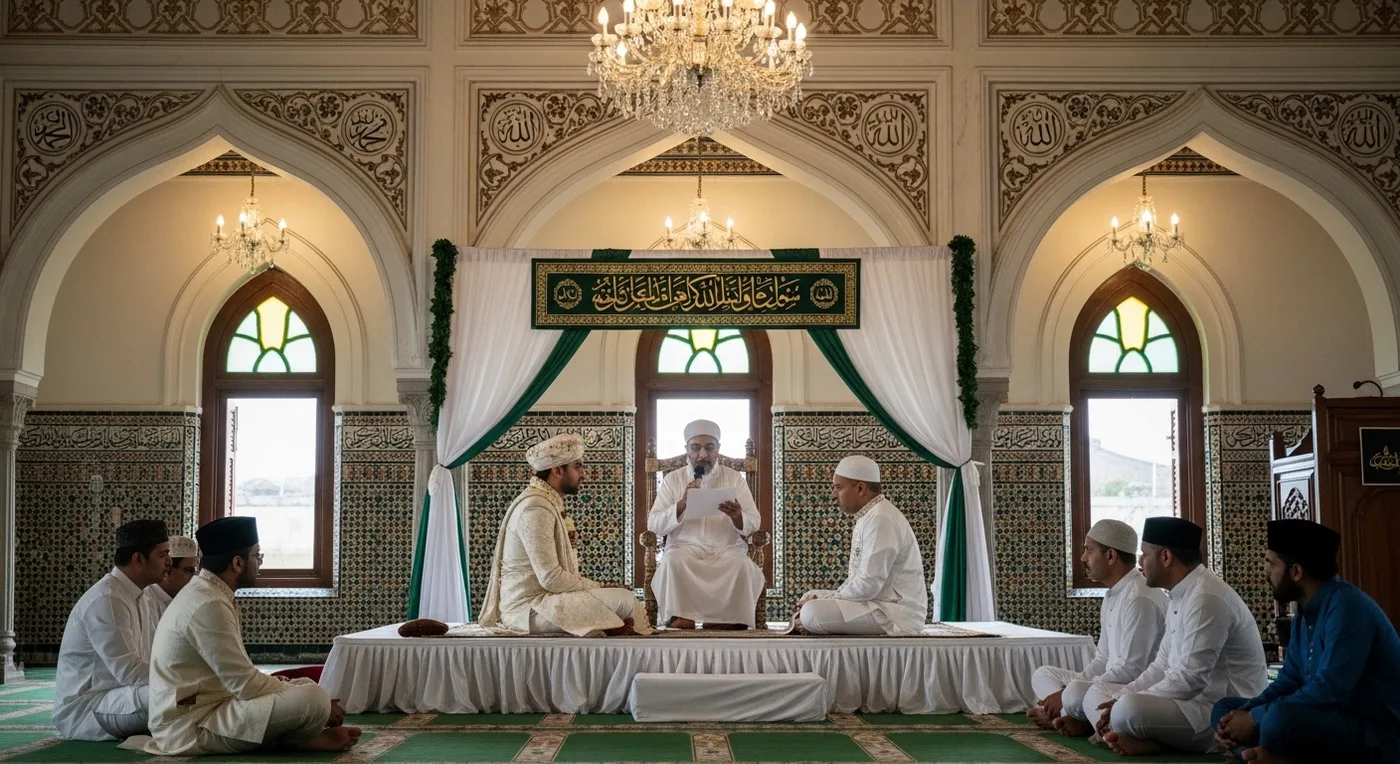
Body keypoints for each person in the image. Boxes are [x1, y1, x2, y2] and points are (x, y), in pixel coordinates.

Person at [123, 516, 359, 755]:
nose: (260, 562)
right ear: (237, 563)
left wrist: (290, 686)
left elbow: (240, 677)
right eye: (257, 556)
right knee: (314, 700)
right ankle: (297, 741)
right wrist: (318, 704)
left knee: (307, 686)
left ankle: (296, 738)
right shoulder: (207, 602)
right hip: (190, 724)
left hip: (210, 705)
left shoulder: (210, 592)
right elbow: (245, 685)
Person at [1212, 519, 1400, 763]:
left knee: (1278, 720)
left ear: (1296, 572)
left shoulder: (1347, 607)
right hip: (1329, 718)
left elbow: (1331, 690)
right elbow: (1290, 679)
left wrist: (1256, 717)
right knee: (1225, 709)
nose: (1265, 571)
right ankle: (1262, 756)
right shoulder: (1304, 609)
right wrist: (1245, 712)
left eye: (1270, 563)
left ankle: (1262, 756)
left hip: (1374, 729)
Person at [1085, 516, 1267, 756]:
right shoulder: (1180, 594)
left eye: (1144, 554)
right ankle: (1154, 740)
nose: (1139, 562)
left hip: (1222, 708)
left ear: (1166, 557)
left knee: (1126, 710)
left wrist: (1125, 700)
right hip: (1188, 700)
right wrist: (1121, 695)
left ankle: (1185, 743)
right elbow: (1161, 665)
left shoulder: (1205, 598)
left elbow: (1191, 679)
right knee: (1113, 702)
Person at [480, 433, 652, 636]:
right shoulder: (535, 509)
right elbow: (551, 578)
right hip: (528, 611)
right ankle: (615, 631)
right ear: (557, 471)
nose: (583, 473)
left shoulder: (546, 502)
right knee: (626, 600)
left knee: (623, 599)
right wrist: (599, 586)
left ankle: (609, 627)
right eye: (577, 466)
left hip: (543, 604)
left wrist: (598, 588)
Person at [1030, 519, 1166, 733]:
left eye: (1088, 550)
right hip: (1109, 683)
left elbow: (1133, 668)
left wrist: (1066, 694)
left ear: (1110, 556)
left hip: (1136, 687)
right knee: (1043, 674)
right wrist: (1067, 691)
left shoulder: (1139, 597)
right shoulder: (1113, 594)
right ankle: (1072, 715)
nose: (1083, 558)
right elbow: (1103, 658)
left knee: (1075, 693)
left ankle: (1072, 717)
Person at [54, 519, 171, 740]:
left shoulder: (143, 595)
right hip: (87, 710)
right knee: (176, 695)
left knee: (188, 693)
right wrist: (187, 679)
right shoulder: (107, 598)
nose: (169, 562)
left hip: (123, 696)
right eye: (163, 555)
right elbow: (131, 673)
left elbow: (154, 657)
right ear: (138, 559)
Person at [648, 419, 764, 630]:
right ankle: (681, 616)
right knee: (673, 561)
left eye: (709, 448)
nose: (702, 454)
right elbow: (655, 524)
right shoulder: (672, 480)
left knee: (741, 565)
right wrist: (681, 505)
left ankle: (724, 619)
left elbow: (754, 521)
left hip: (725, 548)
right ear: (687, 450)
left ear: (718, 449)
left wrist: (738, 517)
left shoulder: (734, 478)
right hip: (684, 547)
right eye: (696, 448)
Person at [792, 455, 927, 635]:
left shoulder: (881, 518)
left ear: (861, 488)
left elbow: (868, 585)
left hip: (895, 614)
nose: (833, 495)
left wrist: (828, 599)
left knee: (812, 613)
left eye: (838, 488)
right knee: (811, 603)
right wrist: (822, 595)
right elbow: (860, 581)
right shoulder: (870, 516)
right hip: (877, 605)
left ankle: (810, 620)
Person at [137, 535, 198, 657]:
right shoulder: (145, 601)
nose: (194, 578)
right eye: (188, 570)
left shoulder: (185, 600)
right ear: (168, 569)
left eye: (195, 571)